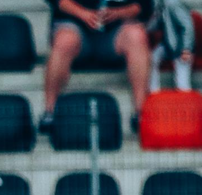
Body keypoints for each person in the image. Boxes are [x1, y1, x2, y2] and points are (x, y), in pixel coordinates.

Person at [39, 0, 153, 133]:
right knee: (64, 40)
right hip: (74, 28)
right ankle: (50, 112)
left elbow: (143, 5)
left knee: (137, 35)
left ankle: (141, 113)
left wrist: (117, 13)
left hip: (116, 32)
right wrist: (84, 14)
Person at [148, 0, 194, 91]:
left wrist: (186, 49)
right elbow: (157, 24)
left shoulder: (173, 4)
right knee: (153, 57)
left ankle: (184, 94)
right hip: (168, 44)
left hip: (181, 46)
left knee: (182, 83)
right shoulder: (161, 5)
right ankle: (153, 91)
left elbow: (187, 26)